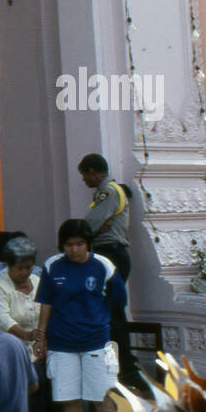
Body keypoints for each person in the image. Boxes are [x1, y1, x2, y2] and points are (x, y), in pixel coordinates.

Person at [36, 219, 128, 412]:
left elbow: (117, 302)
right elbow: (46, 303)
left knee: (102, 400)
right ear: (62, 245)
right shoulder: (52, 265)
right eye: (69, 244)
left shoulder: (104, 265)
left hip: (96, 343)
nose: (74, 249)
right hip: (61, 344)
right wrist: (41, 336)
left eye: (79, 244)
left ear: (88, 244)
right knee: (69, 400)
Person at [79, 153, 138, 382]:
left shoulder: (108, 192)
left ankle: (125, 364)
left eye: (85, 175)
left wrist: (87, 230)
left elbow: (90, 223)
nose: (84, 180)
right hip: (111, 254)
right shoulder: (109, 191)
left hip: (110, 253)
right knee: (111, 311)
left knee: (112, 313)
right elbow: (96, 224)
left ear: (93, 171)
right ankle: (123, 363)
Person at [0, 235, 46, 412]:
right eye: (20, 268)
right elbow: (2, 318)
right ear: (8, 265)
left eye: (28, 267)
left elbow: (47, 310)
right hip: (9, 352)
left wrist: (41, 339)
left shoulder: (37, 282)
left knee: (38, 398)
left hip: (36, 352)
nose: (25, 272)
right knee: (17, 399)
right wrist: (27, 335)